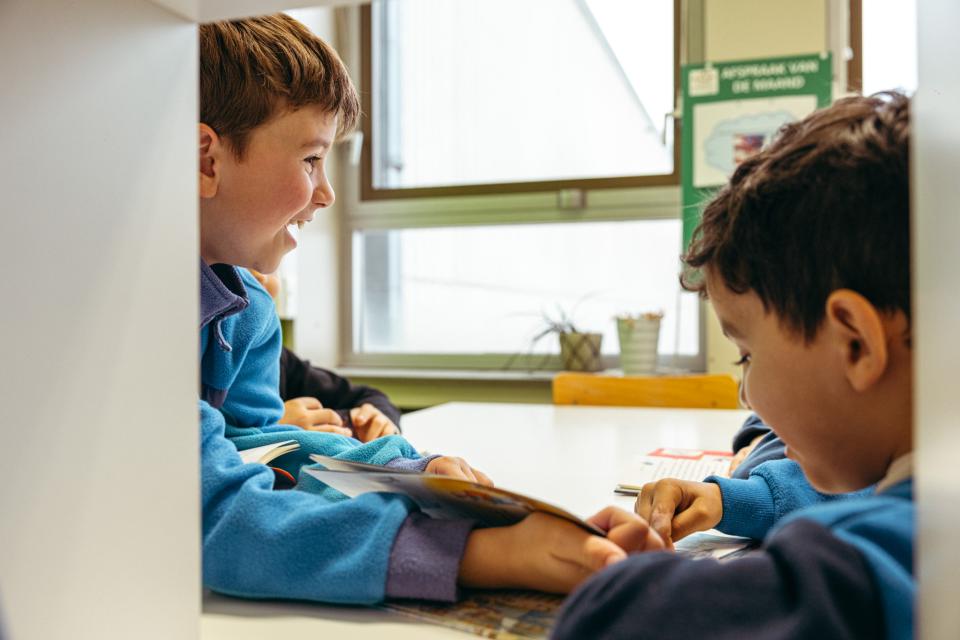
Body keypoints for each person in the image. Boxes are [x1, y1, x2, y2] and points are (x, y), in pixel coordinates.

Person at [198, 14, 657, 605]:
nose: (327, 192)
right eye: (312, 159)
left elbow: (262, 447)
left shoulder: (246, 308)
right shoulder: (136, 318)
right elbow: (219, 520)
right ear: (208, 160)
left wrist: (411, 471)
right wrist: (483, 554)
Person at [553, 92, 913, 639]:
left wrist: (620, 577)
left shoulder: (876, 564)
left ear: (857, 345)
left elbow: (620, 622)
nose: (747, 396)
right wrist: (741, 498)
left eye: (748, 355)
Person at [250, 269, 402, 442]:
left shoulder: (276, 358)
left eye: (269, 268)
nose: (261, 277)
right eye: (240, 265)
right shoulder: (212, 375)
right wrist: (271, 429)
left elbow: (369, 396)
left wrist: (379, 420)